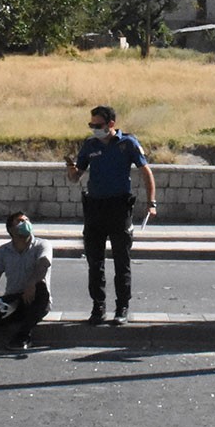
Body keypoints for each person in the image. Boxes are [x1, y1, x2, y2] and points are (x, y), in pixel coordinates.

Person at [65, 104, 156, 326]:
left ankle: (122, 307)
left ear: (111, 124)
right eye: (91, 125)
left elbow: (146, 172)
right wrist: (71, 169)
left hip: (119, 207)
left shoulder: (127, 144)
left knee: (121, 260)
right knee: (95, 261)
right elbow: (76, 176)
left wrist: (151, 202)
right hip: (95, 207)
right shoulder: (90, 145)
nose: (94, 129)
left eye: (98, 125)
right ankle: (98, 307)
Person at [0, 211, 53, 352]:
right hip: (13, 298)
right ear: (11, 230)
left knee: (41, 290)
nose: (26, 223)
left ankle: (22, 338)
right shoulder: (3, 251)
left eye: (27, 220)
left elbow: (43, 264)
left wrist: (31, 284)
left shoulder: (42, 245)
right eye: (20, 221)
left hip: (35, 297)